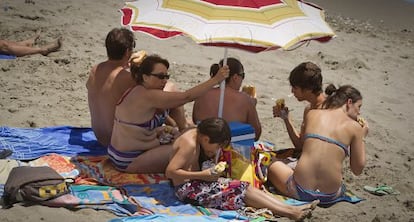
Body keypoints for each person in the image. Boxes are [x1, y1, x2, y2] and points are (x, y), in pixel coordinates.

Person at [166, 117, 318, 221]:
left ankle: (289, 208)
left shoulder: (197, 136)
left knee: (245, 187)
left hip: (195, 183)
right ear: (206, 139)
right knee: (240, 189)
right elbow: (170, 172)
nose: (216, 149)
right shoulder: (189, 143)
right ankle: (291, 213)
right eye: (217, 146)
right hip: (186, 190)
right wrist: (204, 175)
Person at [109, 54, 229, 173]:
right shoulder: (147, 96)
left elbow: (136, 129)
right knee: (188, 148)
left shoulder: (137, 91)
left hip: (118, 153)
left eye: (166, 76)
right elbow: (186, 97)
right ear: (145, 77)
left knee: (185, 139)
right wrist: (216, 80)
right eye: (160, 77)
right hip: (128, 159)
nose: (165, 81)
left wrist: (166, 129)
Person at [87, 28, 190, 147]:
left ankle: (178, 125)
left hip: (100, 136)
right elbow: (154, 101)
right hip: (117, 139)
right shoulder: (125, 77)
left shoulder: (95, 70)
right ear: (127, 52)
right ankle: (183, 128)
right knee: (170, 87)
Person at [267, 84, 368, 204]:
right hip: (330, 195)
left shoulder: (312, 114)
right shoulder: (355, 128)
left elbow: (305, 148)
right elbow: (357, 169)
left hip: (299, 190)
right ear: (349, 102)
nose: (359, 112)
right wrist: (362, 136)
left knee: (272, 164)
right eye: (359, 107)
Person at [192, 57, 261, 140]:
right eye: (242, 75)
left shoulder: (202, 94)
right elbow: (256, 134)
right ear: (235, 77)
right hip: (230, 150)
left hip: (203, 147)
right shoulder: (245, 100)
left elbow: (195, 120)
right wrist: (252, 106)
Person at [273, 62, 326, 152]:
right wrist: (286, 118)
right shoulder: (310, 108)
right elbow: (300, 145)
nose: (292, 91)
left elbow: (303, 149)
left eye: (295, 88)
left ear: (308, 89)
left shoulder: (321, 113)